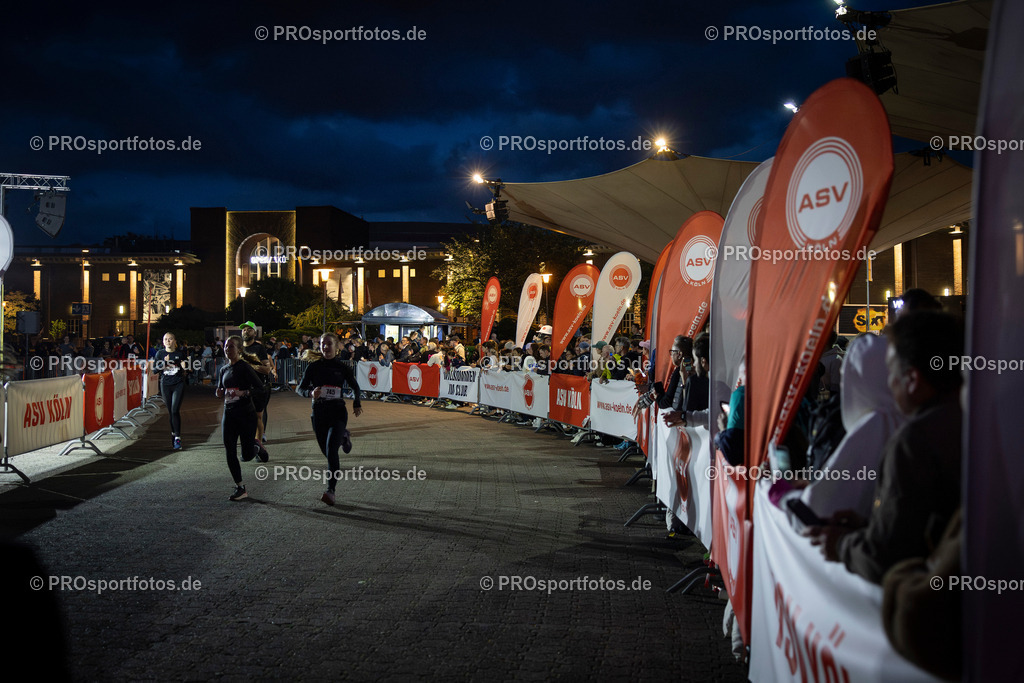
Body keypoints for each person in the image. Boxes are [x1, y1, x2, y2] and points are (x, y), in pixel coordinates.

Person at [807, 310, 964, 584]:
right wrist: (870, 526)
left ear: (912, 380)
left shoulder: (913, 442)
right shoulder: (974, 422)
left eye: (892, 372)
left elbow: (886, 554)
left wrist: (842, 544)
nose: (889, 383)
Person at [297, 333, 363, 506]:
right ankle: (343, 437)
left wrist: (356, 403)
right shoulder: (313, 367)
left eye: (328, 344)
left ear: (336, 347)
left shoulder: (342, 367)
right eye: (322, 344)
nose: (325, 347)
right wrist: (310, 393)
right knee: (327, 453)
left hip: (338, 412)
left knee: (331, 451)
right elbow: (300, 388)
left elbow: (355, 386)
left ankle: (330, 490)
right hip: (318, 413)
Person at [215, 336, 267, 501]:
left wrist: (244, 393)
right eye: (225, 346)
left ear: (238, 350)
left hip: (246, 414)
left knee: (246, 455)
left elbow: (261, 388)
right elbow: (220, 388)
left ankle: (256, 447)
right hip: (229, 414)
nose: (227, 349)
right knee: (229, 451)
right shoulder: (223, 370)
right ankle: (240, 487)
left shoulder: (244, 367)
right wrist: (219, 392)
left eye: (231, 347)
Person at [240, 321, 273, 459]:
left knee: (257, 417)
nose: (246, 331)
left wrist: (251, 366)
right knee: (243, 419)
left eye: (249, 329)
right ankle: (248, 446)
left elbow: (267, 369)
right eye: (243, 330)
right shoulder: (238, 348)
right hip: (242, 389)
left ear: (254, 332)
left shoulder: (259, 349)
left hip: (258, 388)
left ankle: (258, 447)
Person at [151, 332, 189, 450]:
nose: (168, 341)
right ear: (163, 342)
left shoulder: (180, 353)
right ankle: (173, 433)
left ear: (175, 341)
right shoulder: (160, 353)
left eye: (170, 339)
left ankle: (178, 438)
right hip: (165, 385)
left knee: (175, 410)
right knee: (171, 412)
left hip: (178, 383)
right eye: (166, 339)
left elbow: (187, 368)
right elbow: (154, 371)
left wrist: (185, 366)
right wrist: (164, 362)